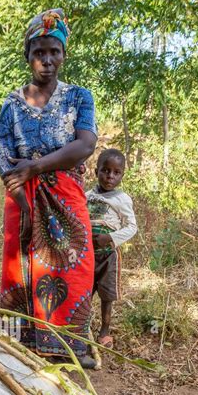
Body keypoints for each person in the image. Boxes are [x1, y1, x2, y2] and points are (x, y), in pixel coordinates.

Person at [0, 8, 97, 367]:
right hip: (22, 195)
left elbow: (85, 145)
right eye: (39, 52)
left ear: (64, 55)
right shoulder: (11, 104)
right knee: (23, 267)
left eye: (54, 51)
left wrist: (36, 166)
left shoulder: (79, 98)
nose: (47, 60)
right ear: (28, 57)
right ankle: (23, 346)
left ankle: (69, 346)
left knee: (72, 265)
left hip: (65, 195)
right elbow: (5, 157)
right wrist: (24, 201)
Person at [86, 149, 138, 348]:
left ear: (122, 175)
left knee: (107, 295)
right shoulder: (87, 196)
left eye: (116, 172)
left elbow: (131, 227)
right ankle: (83, 325)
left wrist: (109, 238)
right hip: (88, 255)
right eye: (105, 171)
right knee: (84, 291)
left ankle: (105, 330)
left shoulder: (122, 199)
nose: (110, 176)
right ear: (96, 171)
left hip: (108, 255)